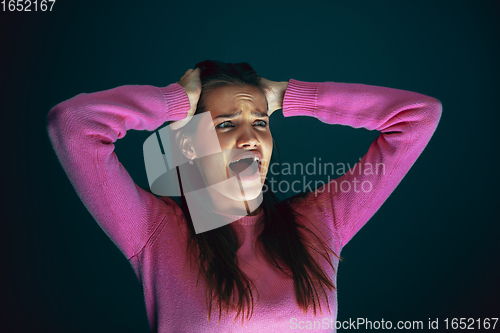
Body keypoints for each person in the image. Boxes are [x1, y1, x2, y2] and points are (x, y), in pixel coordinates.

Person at [46, 60, 442, 332]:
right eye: (225, 125)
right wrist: (176, 102)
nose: (250, 138)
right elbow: (73, 125)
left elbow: (419, 116)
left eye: (259, 122)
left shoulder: (320, 221)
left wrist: (290, 96)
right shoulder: (155, 230)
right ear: (190, 146)